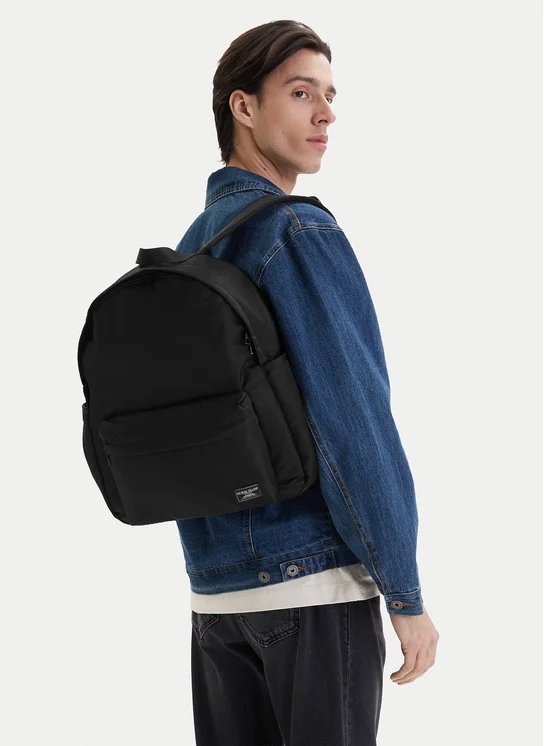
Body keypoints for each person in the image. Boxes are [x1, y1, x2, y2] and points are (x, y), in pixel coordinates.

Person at [173, 19, 440, 746]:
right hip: (312, 587)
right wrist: (404, 591)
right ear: (243, 106)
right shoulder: (295, 232)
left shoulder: (193, 248)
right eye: (300, 93)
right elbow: (351, 421)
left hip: (216, 597)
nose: (326, 114)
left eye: (330, 95)